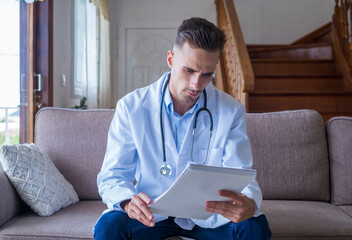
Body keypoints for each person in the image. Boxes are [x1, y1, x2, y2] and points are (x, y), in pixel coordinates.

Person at [94, 17, 271, 240]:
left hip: (209, 218)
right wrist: (128, 201)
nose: (196, 85)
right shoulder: (131, 107)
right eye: (189, 70)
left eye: (207, 75)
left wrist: (249, 203)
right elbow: (113, 175)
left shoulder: (231, 111)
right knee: (109, 226)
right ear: (171, 59)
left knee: (254, 226)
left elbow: (242, 175)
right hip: (152, 215)